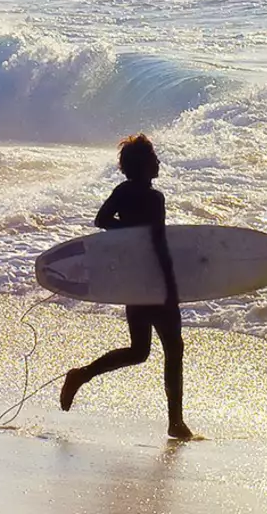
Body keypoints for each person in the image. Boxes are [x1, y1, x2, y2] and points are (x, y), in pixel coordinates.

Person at [58, 133, 194, 440]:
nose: (159, 162)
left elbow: (101, 219)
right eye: (155, 158)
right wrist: (171, 287)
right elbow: (158, 243)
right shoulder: (155, 198)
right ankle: (176, 422)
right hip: (154, 282)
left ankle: (82, 375)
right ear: (146, 165)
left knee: (139, 351)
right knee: (173, 349)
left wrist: (128, 231)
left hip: (132, 282)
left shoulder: (122, 191)